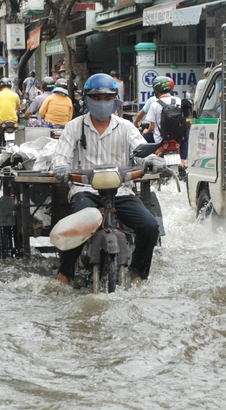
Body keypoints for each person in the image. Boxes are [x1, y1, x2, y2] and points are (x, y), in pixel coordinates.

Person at [50, 73, 165, 286]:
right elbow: (61, 156)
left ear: (115, 100)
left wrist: (153, 159)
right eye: (96, 98)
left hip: (121, 190)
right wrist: (60, 167)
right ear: (87, 99)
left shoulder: (126, 127)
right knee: (79, 225)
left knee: (150, 226)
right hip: (85, 190)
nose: (102, 103)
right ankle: (64, 275)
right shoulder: (75, 126)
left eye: (107, 98)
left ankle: (138, 274)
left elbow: (141, 150)